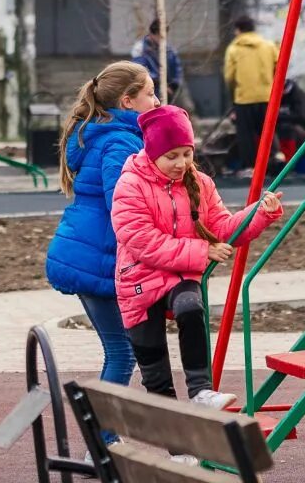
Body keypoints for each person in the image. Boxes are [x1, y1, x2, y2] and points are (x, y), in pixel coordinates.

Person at [112, 105, 282, 409]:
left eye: (187, 154)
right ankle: (179, 455)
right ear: (152, 154)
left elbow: (221, 228)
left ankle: (201, 390)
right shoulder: (130, 184)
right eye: (172, 156)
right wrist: (203, 251)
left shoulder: (200, 183)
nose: (181, 163)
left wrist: (258, 214)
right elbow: (142, 242)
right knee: (156, 376)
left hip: (179, 274)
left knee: (190, 306)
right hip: (140, 281)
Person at [45, 62, 157, 389]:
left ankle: (102, 434)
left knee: (118, 352)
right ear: (127, 101)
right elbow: (121, 202)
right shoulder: (121, 142)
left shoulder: (101, 134)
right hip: (98, 256)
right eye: (149, 94)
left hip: (85, 250)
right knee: (122, 354)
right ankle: (102, 437)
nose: (156, 100)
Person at [222, 15, 279, 177]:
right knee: (267, 131)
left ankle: (250, 167)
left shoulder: (234, 49)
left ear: (238, 30)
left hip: (244, 98)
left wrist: (233, 94)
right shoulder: (268, 46)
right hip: (266, 97)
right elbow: (278, 67)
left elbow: (229, 77)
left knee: (245, 135)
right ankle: (274, 161)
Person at [133, 19, 185, 103]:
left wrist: (173, 86)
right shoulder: (140, 49)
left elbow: (177, 70)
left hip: (169, 92)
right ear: (152, 34)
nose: (162, 40)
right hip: (151, 91)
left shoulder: (169, 50)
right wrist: (161, 84)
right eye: (160, 36)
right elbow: (140, 70)